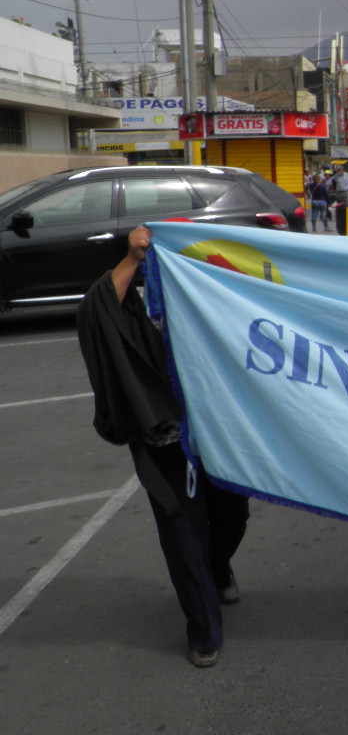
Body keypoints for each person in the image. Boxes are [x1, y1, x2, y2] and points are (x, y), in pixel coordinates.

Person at [76, 226, 250, 668]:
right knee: (181, 534)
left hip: (222, 441)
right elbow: (98, 311)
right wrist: (132, 258)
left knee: (232, 518)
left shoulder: (220, 309)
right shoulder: (146, 312)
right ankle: (204, 630)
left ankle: (219, 566)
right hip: (166, 446)